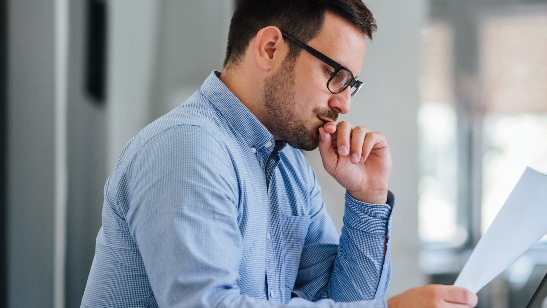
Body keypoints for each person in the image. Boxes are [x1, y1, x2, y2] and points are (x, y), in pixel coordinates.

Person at [81, 0, 477, 307]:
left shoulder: (288, 165)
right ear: (270, 48)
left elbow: (343, 301)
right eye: (334, 75)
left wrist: (367, 198)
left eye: (351, 84)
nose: (344, 105)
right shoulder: (188, 147)